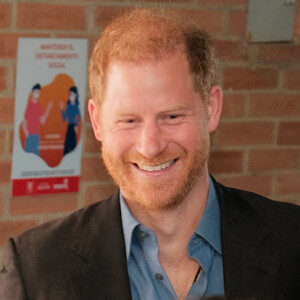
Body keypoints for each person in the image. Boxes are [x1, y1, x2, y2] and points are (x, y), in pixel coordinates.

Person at [1, 8, 300, 300]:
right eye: (129, 120)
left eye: (171, 117)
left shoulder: (292, 241)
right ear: (97, 121)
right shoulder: (33, 270)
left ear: (211, 109)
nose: (150, 147)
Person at [22, 83, 53, 156]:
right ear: (32, 93)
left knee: (37, 157)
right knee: (27, 156)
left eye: (38, 92)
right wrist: (28, 135)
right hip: (30, 136)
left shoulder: (39, 105)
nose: (37, 93)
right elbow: (24, 123)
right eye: (35, 91)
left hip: (37, 136)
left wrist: (48, 108)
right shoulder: (30, 105)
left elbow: (43, 121)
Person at [60, 86, 81, 155]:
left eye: (72, 94)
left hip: (74, 127)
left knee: (73, 145)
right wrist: (62, 109)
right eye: (70, 94)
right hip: (69, 126)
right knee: (66, 146)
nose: (71, 96)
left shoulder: (76, 106)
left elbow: (79, 117)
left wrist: (76, 125)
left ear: (76, 95)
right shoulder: (68, 106)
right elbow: (64, 118)